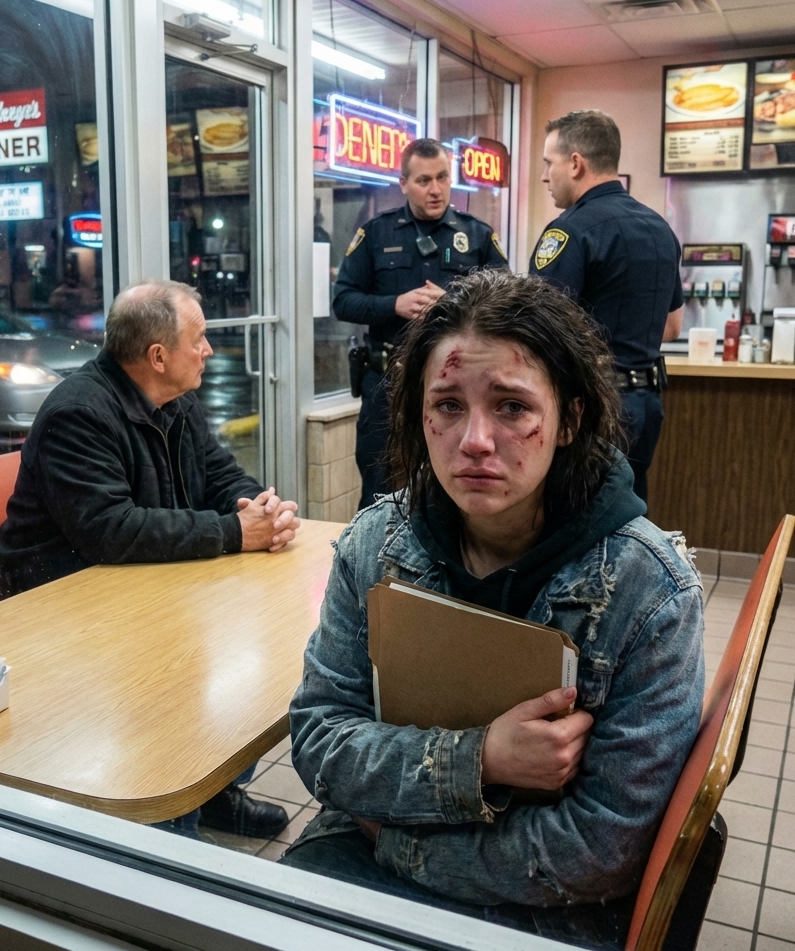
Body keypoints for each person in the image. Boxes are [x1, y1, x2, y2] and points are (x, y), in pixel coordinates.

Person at [285, 271, 703, 948]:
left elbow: (604, 847)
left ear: (568, 419)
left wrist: (400, 843)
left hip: (545, 902)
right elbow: (319, 739)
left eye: (511, 407)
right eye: (447, 405)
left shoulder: (647, 590)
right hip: (355, 855)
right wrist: (481, 760)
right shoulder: (374, 542)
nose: (475, 440)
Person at [0, 279, 300, 840]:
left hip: (136, 585)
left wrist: (258, 507)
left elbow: (221, 473)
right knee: (174, 675)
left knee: (250, 654)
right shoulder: (78, 414)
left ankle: (215, 789)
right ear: (158, 356)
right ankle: (168, 832)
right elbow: (109, 529)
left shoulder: (176, 400)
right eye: (199, 340)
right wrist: (234, 531)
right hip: (52, 602)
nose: (208, 351)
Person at [333, 138, 508, 510]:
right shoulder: (376, 234)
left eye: (443, 178)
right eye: (424, 180)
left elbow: (506, 302)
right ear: (403, 184)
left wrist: (453, 302)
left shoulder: (476, 235)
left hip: (456, 387)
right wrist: (394, 304)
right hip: (388, 383)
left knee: (451, 489)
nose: (436, 189)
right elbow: (343, 300)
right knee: (380, 489)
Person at [529, 110, 683, 501]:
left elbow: (537, 330)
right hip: (646, 404)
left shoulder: (570, 230)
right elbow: (671, 327)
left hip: (594, 408)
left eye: (550, 163)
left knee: (577, 520)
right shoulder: (659, 229)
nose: (545, 176)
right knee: (627, 515)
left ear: (576, 163)